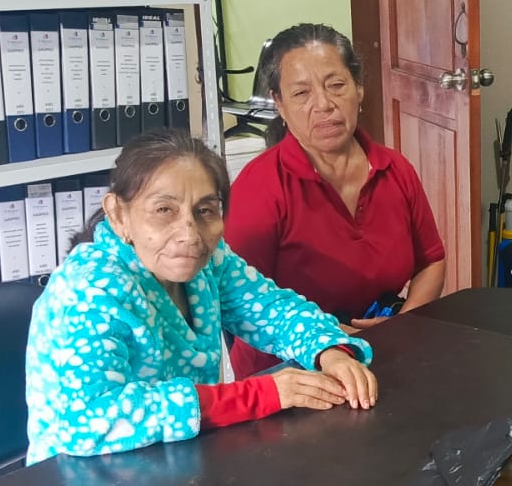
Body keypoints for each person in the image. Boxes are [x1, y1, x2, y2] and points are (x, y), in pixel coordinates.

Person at [25, 129, 378, 464]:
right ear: (119, 215)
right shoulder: (87, 289)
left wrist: (328, 350)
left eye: (205, 211)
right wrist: (259, 394)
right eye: (164, 210)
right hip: (83, 483)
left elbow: (271, 309)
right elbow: (90, 420)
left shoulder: (210, 259)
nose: (190, 234)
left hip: (179, 462)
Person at [225, 23, 446, 378]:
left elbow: (431, 260)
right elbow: (238, 300)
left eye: (336, 85)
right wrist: (326, 340)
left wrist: (403, 324)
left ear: (359, 89)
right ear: (279, 104)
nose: (324, 105)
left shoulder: (395, 170)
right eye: (301, 93)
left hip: (385, 351)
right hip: (288, 371)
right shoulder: (260, 187)